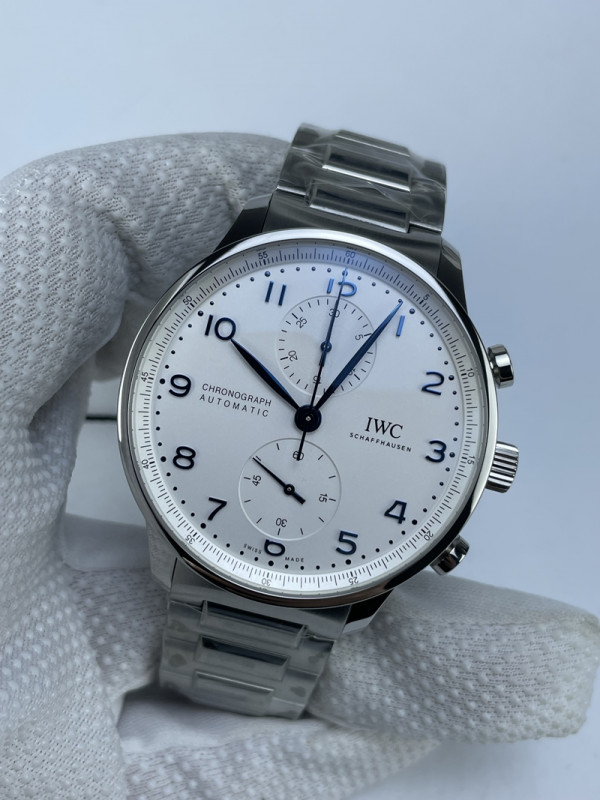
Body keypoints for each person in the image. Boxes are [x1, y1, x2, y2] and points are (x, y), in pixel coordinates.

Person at [1, 132, 598, 799]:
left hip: (302, 557)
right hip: (215, 538)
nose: (307, 416)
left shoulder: (432, 386)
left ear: (486, 460)